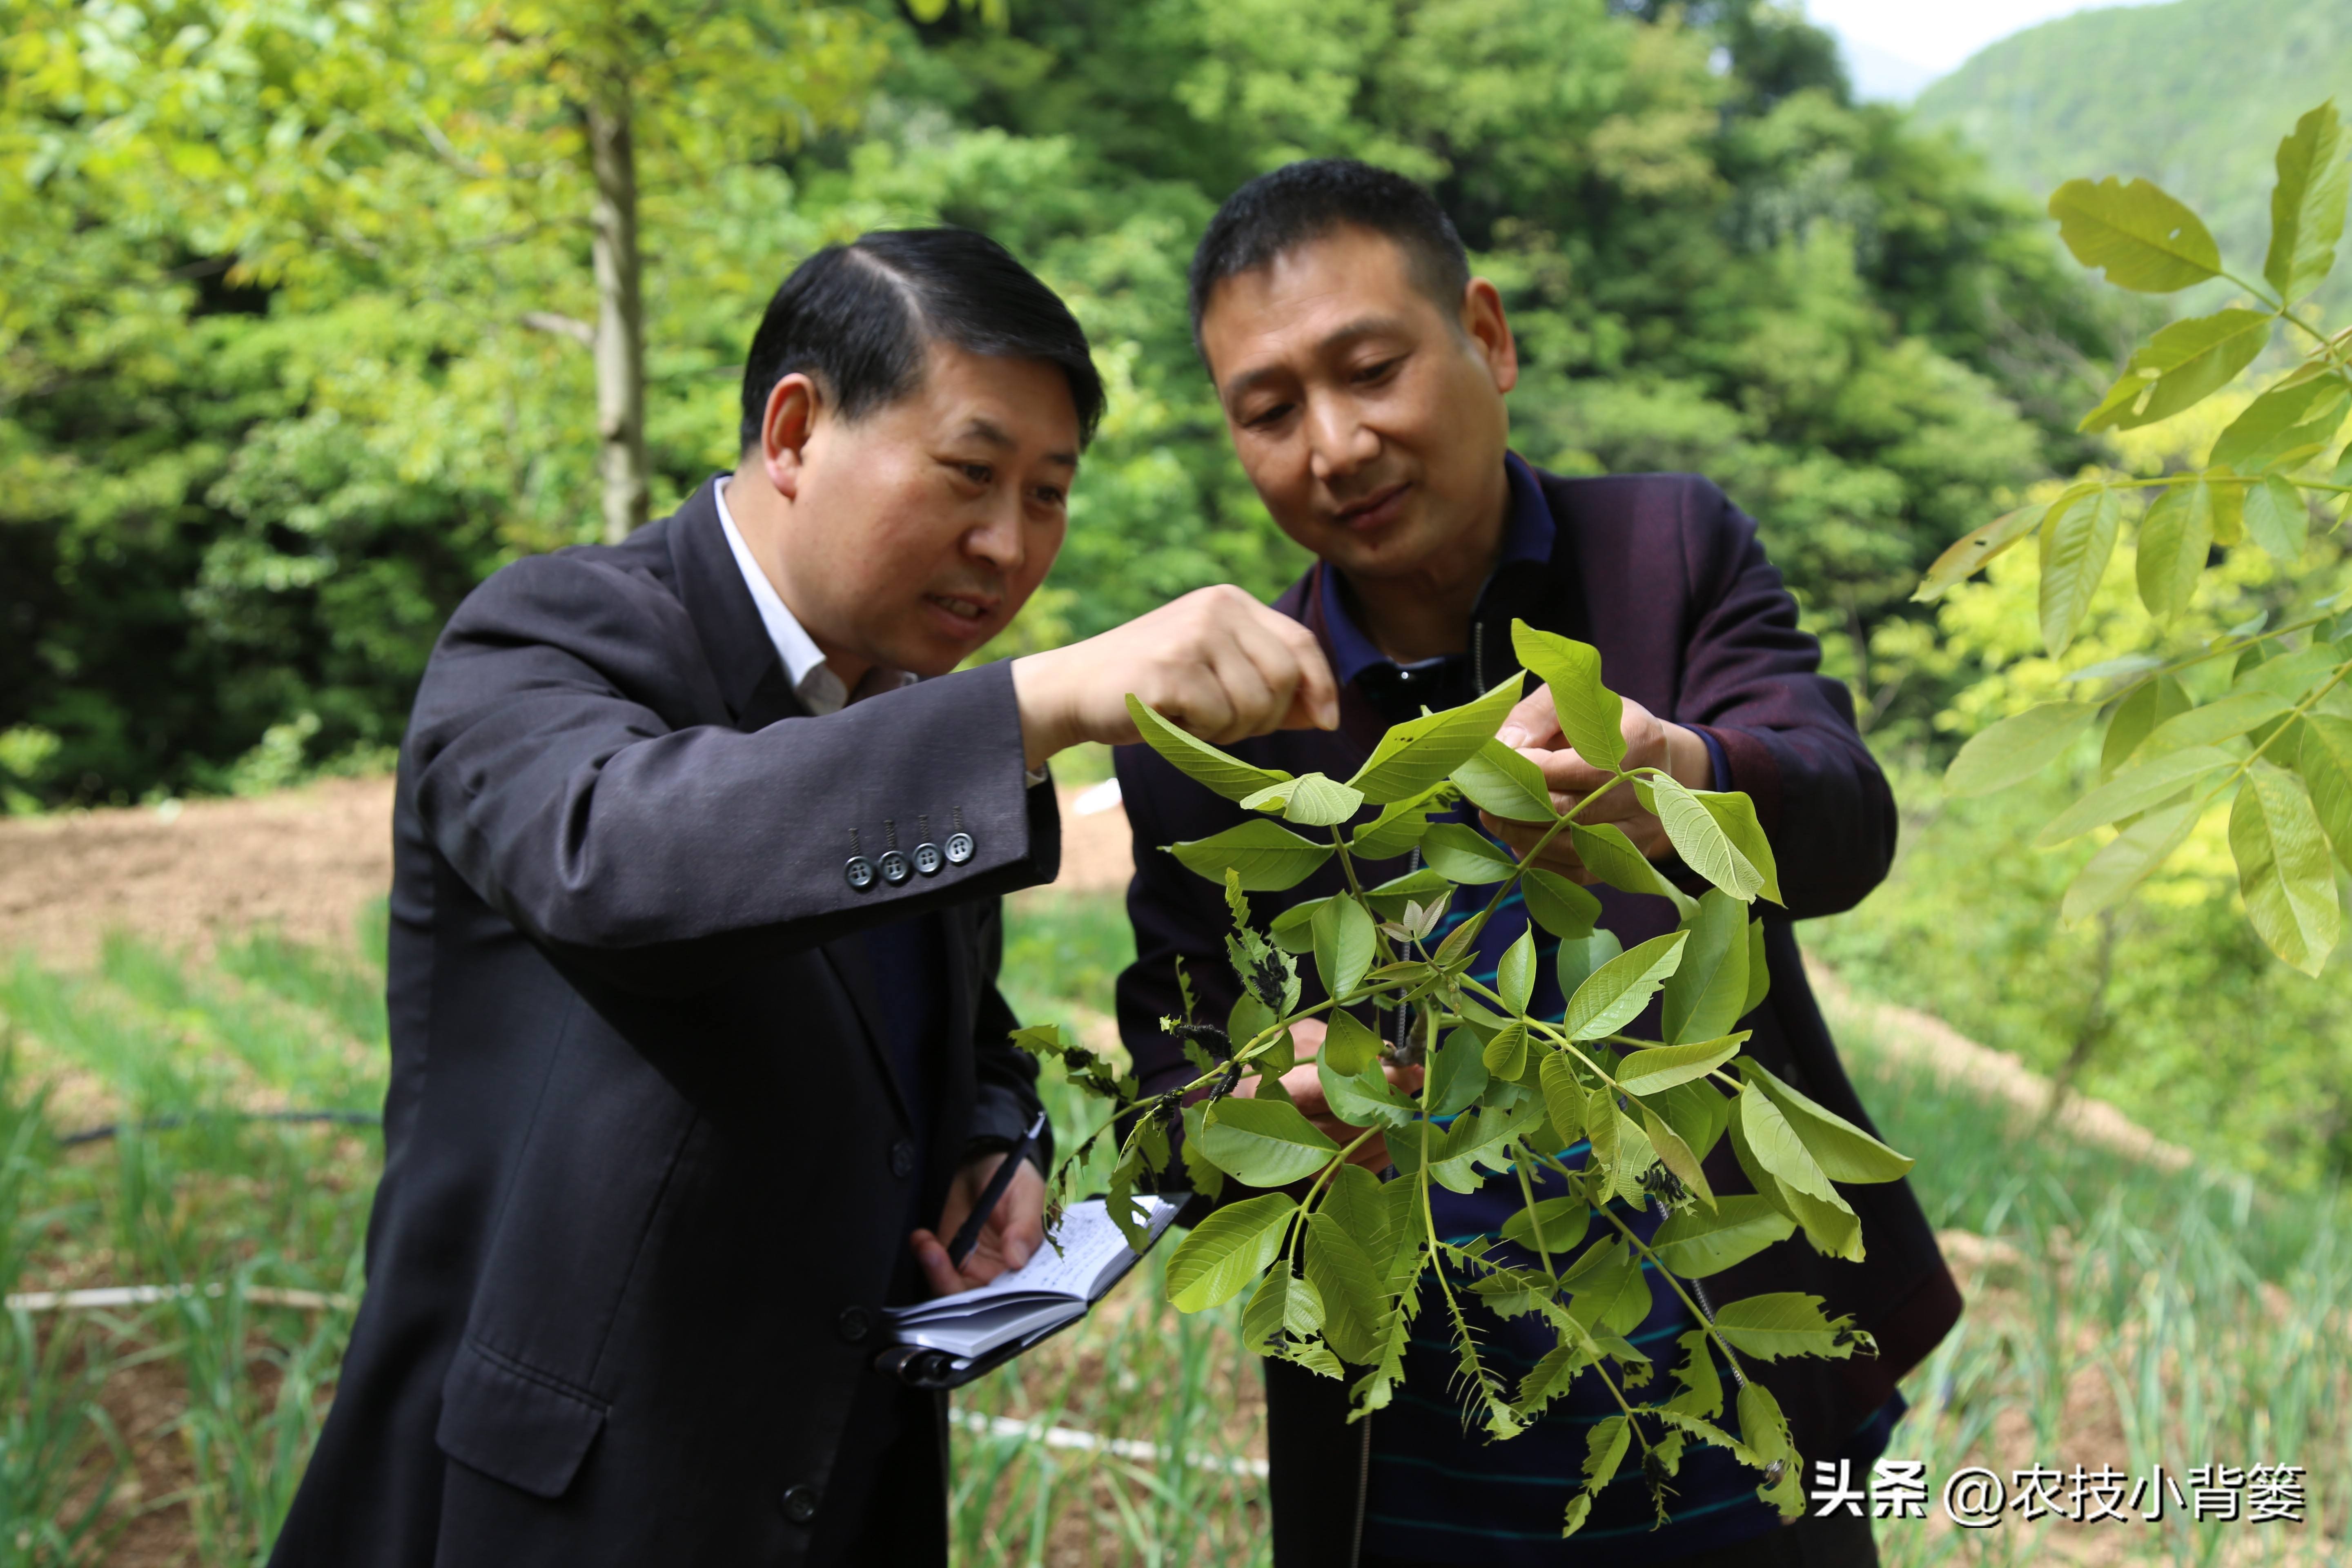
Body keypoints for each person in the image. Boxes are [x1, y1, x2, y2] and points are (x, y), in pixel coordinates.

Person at [270, 227, 1338, 1568]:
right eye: (970, 474)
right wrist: (1037, 700)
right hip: (565, 1510)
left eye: (1049, 495)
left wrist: (987, 1142)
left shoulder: (903, 708)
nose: (1008, 544)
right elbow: (619, 861)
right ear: (794, 433)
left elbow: (950, 1029)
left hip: (835, 1486)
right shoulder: (548, 637)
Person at [1113, 161, 1960, 1568]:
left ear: (1487, 337)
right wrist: (1253, 1097)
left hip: (1732, 1374)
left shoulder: (1669, 548)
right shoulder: (1219, 728)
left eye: (1370, 371)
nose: (1334, 445)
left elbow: (1844, 817)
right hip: (1410, 1433)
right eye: (1268, 411)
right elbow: (1177, 1056)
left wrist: (1680, 776)